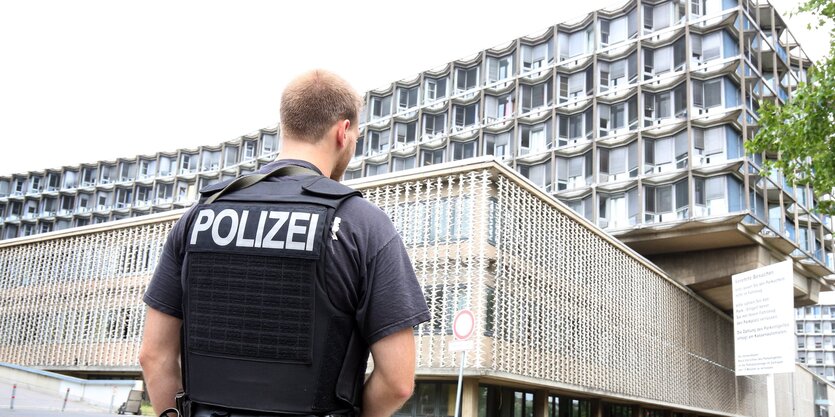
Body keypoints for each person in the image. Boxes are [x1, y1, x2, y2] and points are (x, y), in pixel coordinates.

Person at [139, 69, 431, 417]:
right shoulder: (362, 224)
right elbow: (398, 380)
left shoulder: (199, 215)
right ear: (343, 131)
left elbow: (153, 355)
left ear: (285, 127)